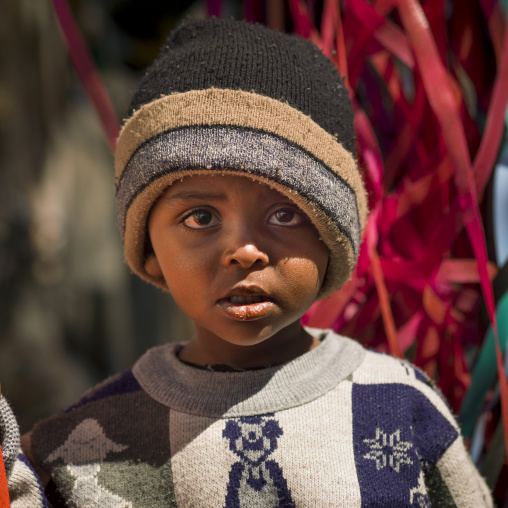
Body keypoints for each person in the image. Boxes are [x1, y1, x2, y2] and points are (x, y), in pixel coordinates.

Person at [1, 17, 493, 507]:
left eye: (284, 214)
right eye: (200, 217)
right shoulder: (80, 448)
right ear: (149, 252)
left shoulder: (399, 405)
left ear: (331, 242)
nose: (245, 251)